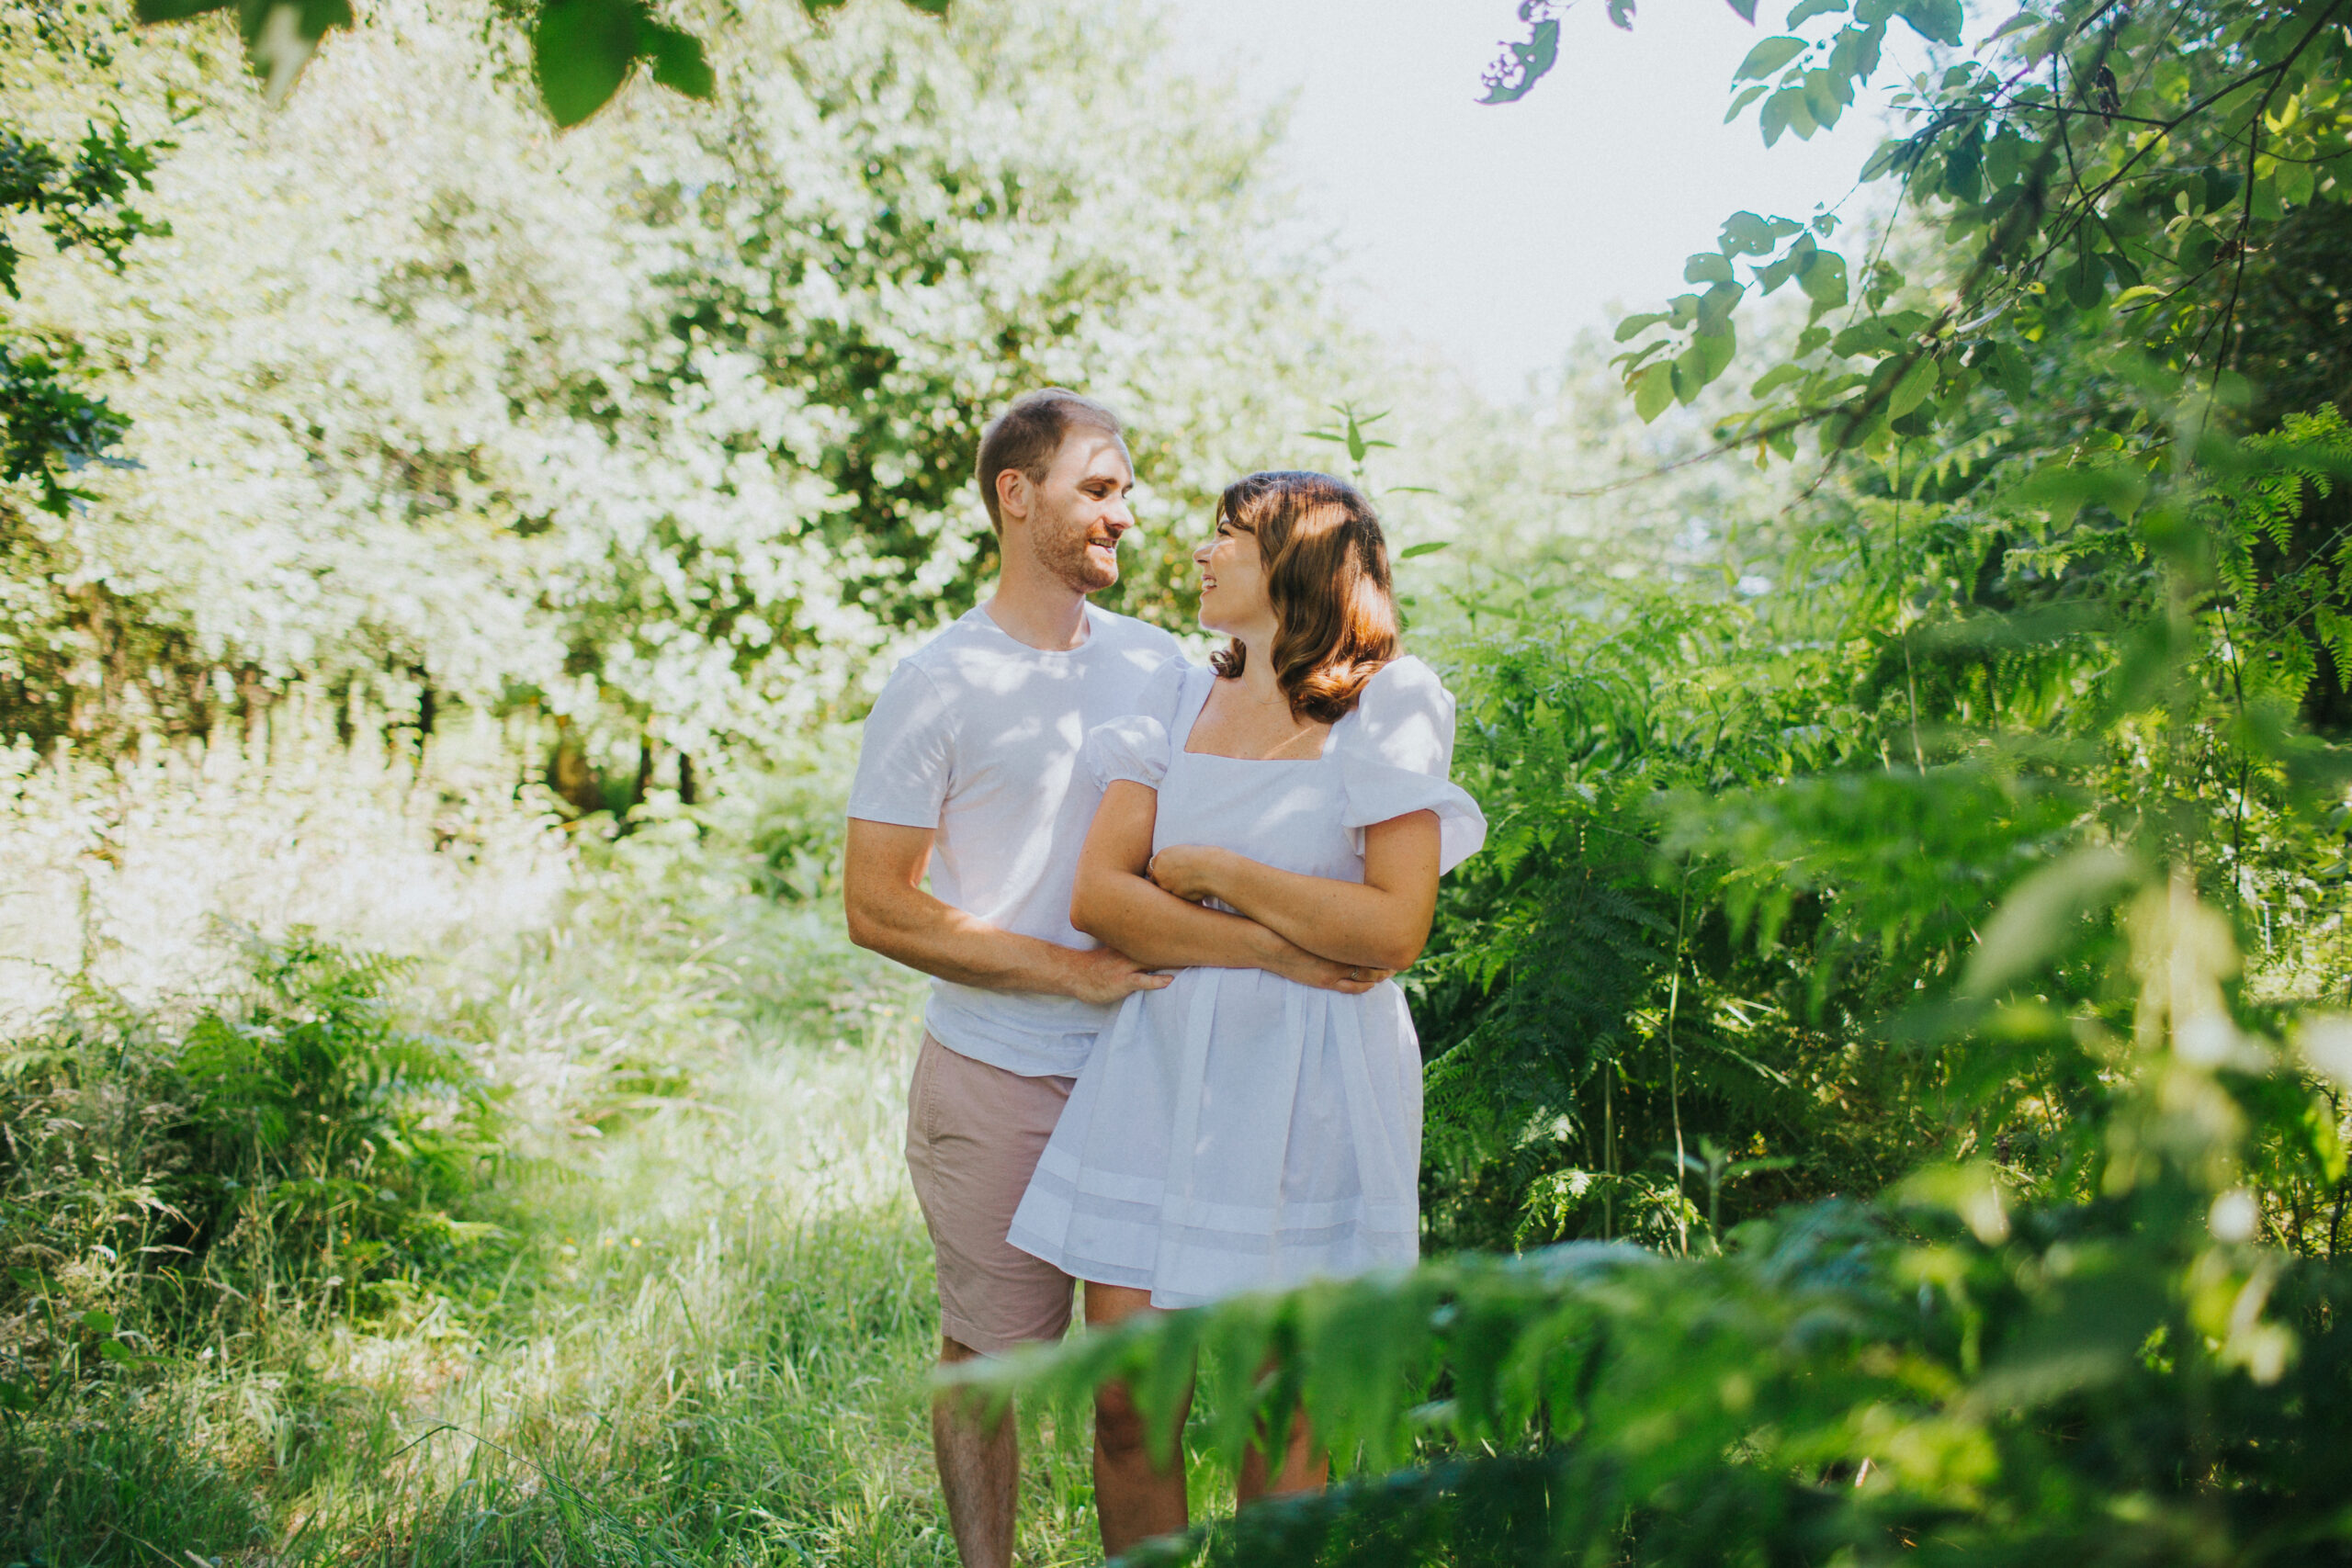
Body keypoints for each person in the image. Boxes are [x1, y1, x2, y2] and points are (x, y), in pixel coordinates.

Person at [842, 396, 1384, 1568]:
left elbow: (1303, 727)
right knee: (994, 1357)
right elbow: (876, 905)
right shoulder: (936, 682)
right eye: (1098, 489)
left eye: (1128, 492)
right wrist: (1072, 972)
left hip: (1171, 1075)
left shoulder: (1169, 663)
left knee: (1152, 1398)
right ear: (1015, 495)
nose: (1125, 516)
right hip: (1002, 1074)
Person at [1006, 469, 1487, 1557]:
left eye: (1226, 533)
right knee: (1127, 1408)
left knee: (1286, 1422)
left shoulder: (1391, 700)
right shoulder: (1173, 698)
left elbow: (1391, 928)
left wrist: (1215, 868)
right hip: (1161, 1067)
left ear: (1297, 558)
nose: (1200, 552)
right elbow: (1104, 900)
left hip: (1314, 1086)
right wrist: (1281, 944)